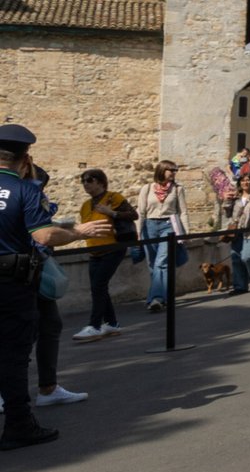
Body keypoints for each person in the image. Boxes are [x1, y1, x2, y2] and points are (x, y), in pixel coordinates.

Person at [0, 124, 109, 451]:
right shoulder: (25, 190)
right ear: (25, 158)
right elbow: (44, 236)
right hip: (11, 282)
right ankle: (19, 425)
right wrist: (78, 231)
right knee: (14, 354)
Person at [72, 169, 133, 340]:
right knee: (98, 287)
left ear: (100, 182)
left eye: (89, 180)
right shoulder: (85, 205)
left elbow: (132, 214)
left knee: (98, 286)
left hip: (113, 248)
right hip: (94, 250)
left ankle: (95, 325)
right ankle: (112, 324)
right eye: (83, 181)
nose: (85, 184)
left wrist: (111, 213)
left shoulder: (114, 198)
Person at [134, 160, 190, 313]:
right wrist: (138, 232)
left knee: (161, 262)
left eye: (175, 170)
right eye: (170, 170)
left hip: (169, 226)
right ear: (161, 170)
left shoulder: (177, 189)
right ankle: (164, 297)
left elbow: (183, 212)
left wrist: (185, 233)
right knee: (152, 264)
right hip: (149, 226)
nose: (173, 173)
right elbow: (141, 212)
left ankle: (156, 299)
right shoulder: (147, 188)